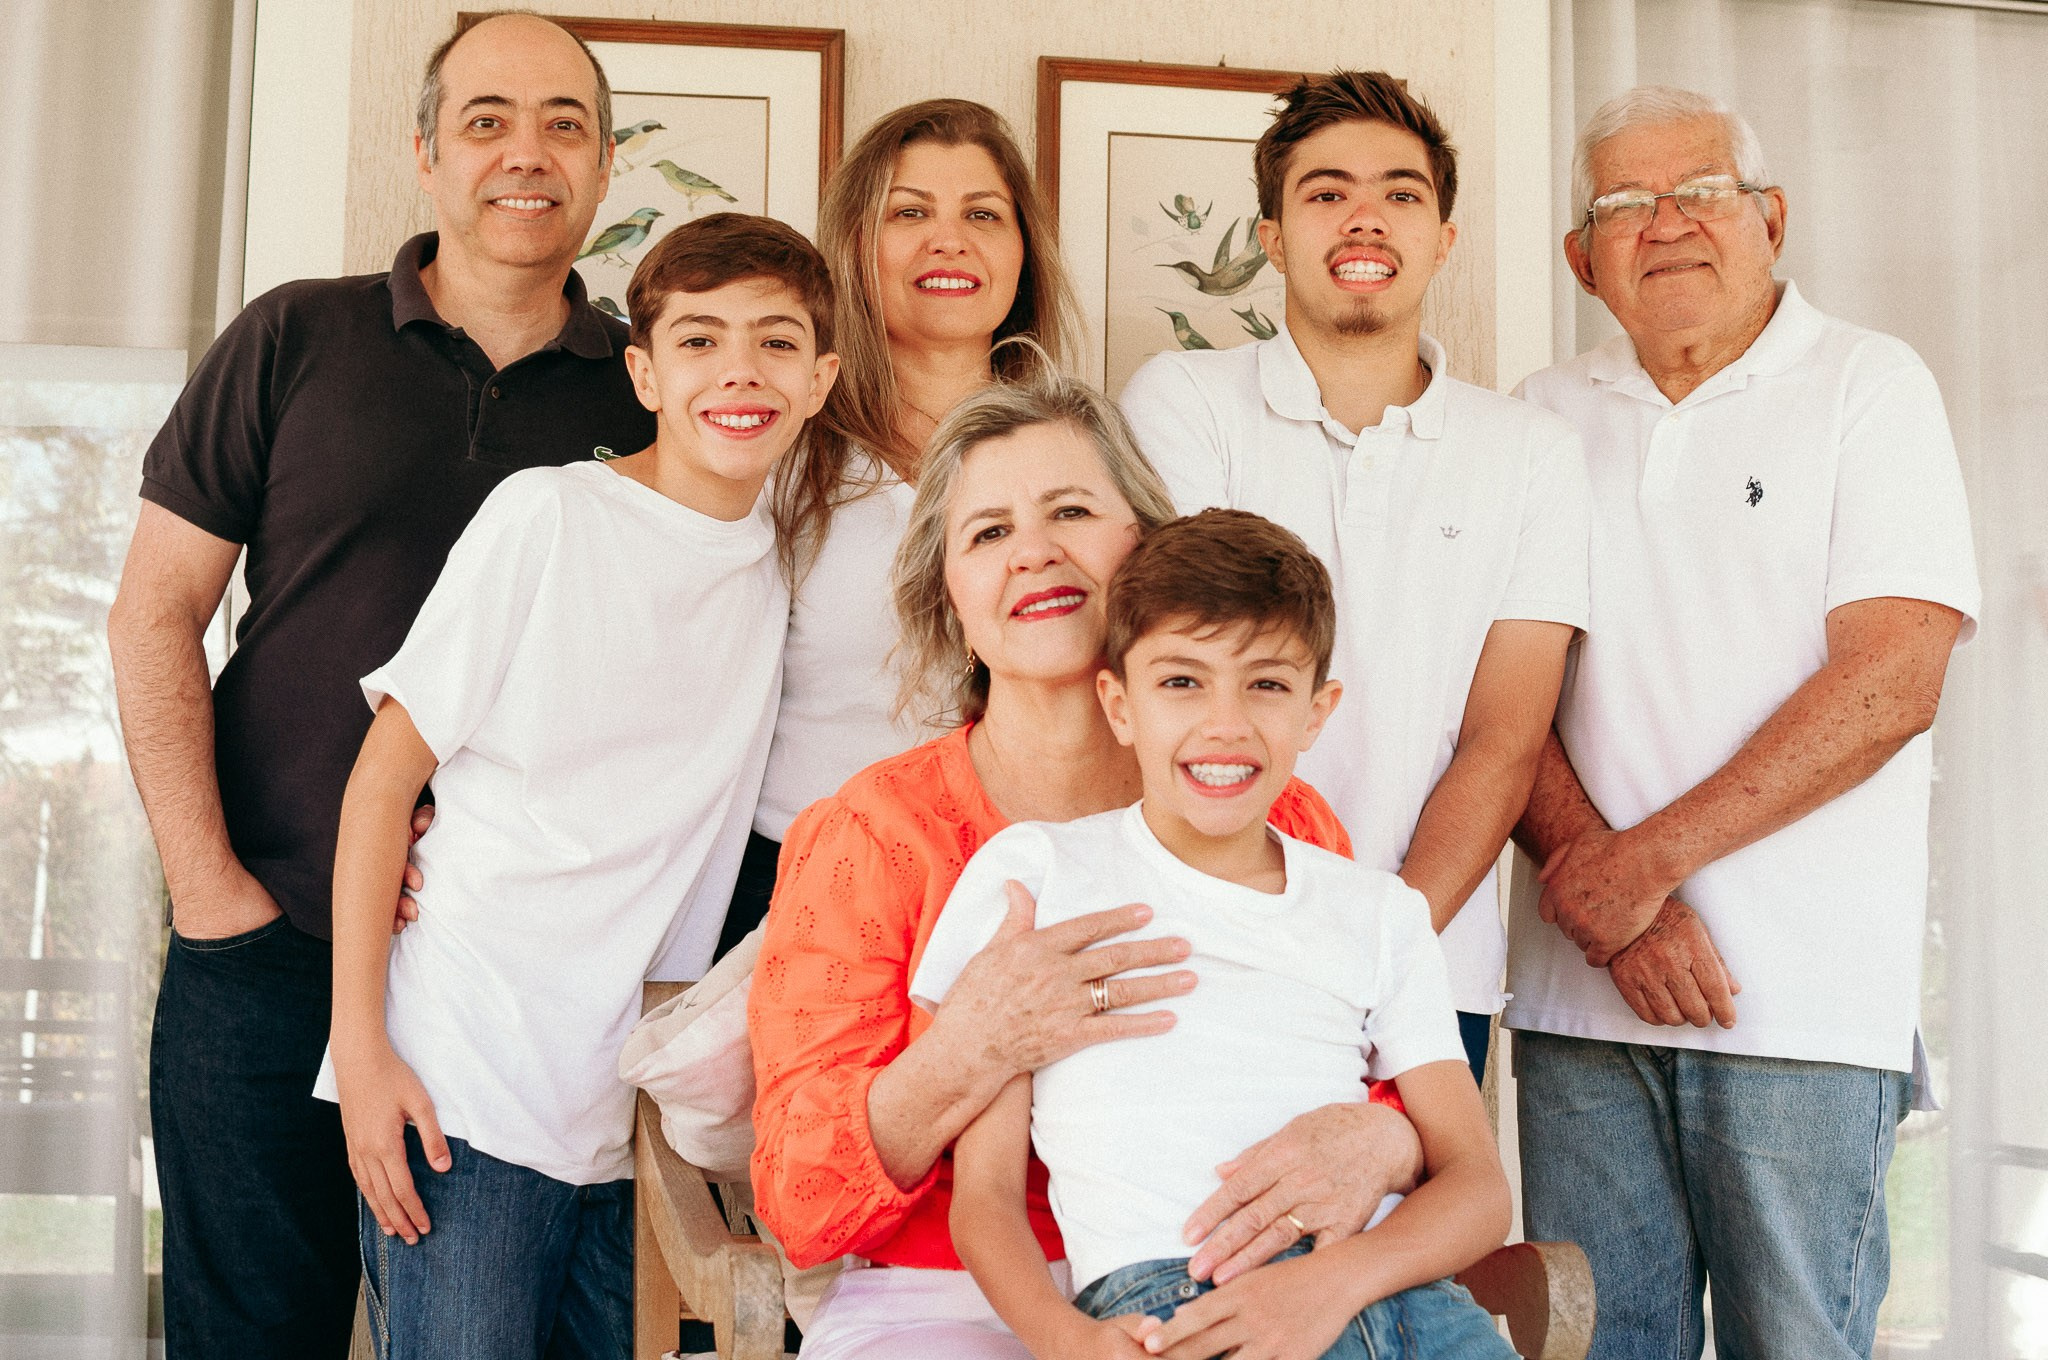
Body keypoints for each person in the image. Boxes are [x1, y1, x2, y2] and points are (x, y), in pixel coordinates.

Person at [105, 12, 651, 1354]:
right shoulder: (295, 338)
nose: (527, 152)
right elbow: (155, 616)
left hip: (510, 994)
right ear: (424, 152)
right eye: (487, 120)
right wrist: (209, 892)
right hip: (268, 944)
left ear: (605, 163)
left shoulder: (653, 395)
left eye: (564, 123)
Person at [749, 377, 1426, 1360]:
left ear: (1145, 546)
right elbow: (797, 1202)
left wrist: (1384, 1141)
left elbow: (1394, 1080)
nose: (1032, 550)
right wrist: (971, 1041)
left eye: (1069, 510)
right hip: (937, 1304)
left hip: (1233, 1283)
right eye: (986, 533)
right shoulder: (871, 833)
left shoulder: (1278, 815)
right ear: (950, 593)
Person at [1504, 86, 1980, 1360]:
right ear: (1579, 260)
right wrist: (1617, 907)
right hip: (1577, 1002)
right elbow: (1489, 694)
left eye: (1700, 191)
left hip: (1804, 1011)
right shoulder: (1533, 415)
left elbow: (1893, 678)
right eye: (1621, 204)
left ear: (1769, 219)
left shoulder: (1866, 386)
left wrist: (1644, 868)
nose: (1664, 224)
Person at [317, 213, 838, 1359]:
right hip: (464, 1081)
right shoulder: (550, 515)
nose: (739, 371)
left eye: (775, 342)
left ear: (821, 378)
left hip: (636, 1105)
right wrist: (361, 1051)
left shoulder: (785, 562)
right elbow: (382, 779)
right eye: (698, 341)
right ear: (644, 373)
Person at [921, 509, 1514, 1360]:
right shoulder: (1041, 874)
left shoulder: (1378, 913)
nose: (1225, 724)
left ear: (1317, 712)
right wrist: (1067, 1341)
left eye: (1267, 684)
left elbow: (1478, 1189)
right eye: (1182, 682)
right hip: (1179, 1296)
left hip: (1400, 1294)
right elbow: (984, 1196)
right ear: (1118, 705)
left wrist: (1332, 1286)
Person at [1120, 70, 1589, 1085]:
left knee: (1408, 1246)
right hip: (1207, 945)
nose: (1363, 217)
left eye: (1400, 193)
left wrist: (1380, 948)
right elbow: (1198, 683)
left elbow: (1503, 738)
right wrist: (1288, 942)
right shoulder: (1183, 401)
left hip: (1427, 964)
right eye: (1325, 192)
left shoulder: (1530, 449)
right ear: (1273, 237)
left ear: (1442, 239)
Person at [717, 98, 1083, 958]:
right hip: (802, 891)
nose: (947, 241)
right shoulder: (780, 450)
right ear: (854, 247)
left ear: (1022, 255)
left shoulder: (1081, 451)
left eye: (982, 215)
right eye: (908, 212)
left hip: (1027, 883)